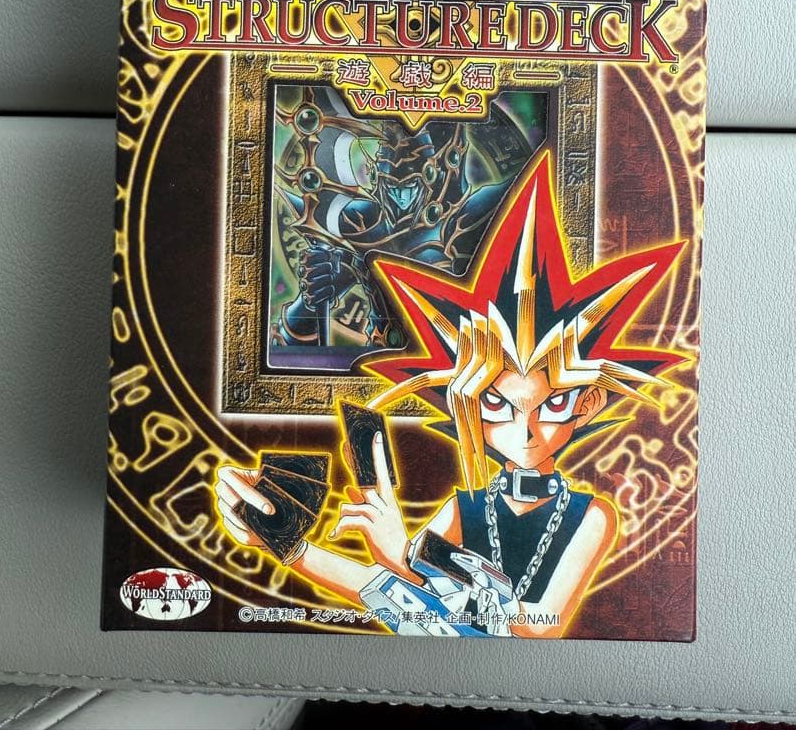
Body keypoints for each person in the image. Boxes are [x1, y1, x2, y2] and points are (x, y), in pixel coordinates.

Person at [216, 150, 685, 636]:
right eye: (498, 404)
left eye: (552, 404)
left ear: (586, 404)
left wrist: (408, 555)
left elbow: (540, 624)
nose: (525, 430)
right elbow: (392, 593)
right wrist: (286, 541)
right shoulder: (467, 507)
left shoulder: (593, 516)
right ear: (467, 403)